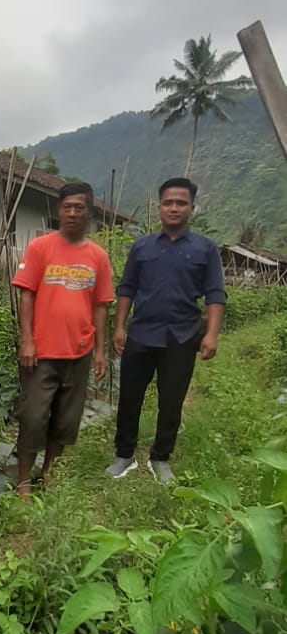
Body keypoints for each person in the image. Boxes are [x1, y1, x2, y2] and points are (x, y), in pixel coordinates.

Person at [107, 177, 225, 484]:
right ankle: (124, 455)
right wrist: (119, 326)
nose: (174, 208)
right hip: (141, 334)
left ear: (191, 208)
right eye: (168, 202)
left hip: (182, 336)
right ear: (159, 207)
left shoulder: (206, 249)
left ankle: (160, 458)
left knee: (171, 401)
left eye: (181, 203)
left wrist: (211, 334)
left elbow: (215, 294)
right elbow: (127, 288)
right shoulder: (142, 247)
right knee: (129, 397)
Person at [12, 182, 114, 497]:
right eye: (66, 207)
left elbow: (100, 307)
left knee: (67, 420)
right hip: (42, 353)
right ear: (59, 210)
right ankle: (24, 482)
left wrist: (100, 352)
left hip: (79, 353)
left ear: (89, 212)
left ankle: (49, 473)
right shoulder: (41, 247)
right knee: (33, 417)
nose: (72, 213)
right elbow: (26, 296)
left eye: (78, 207)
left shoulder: (98, 256)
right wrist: (27, 340)